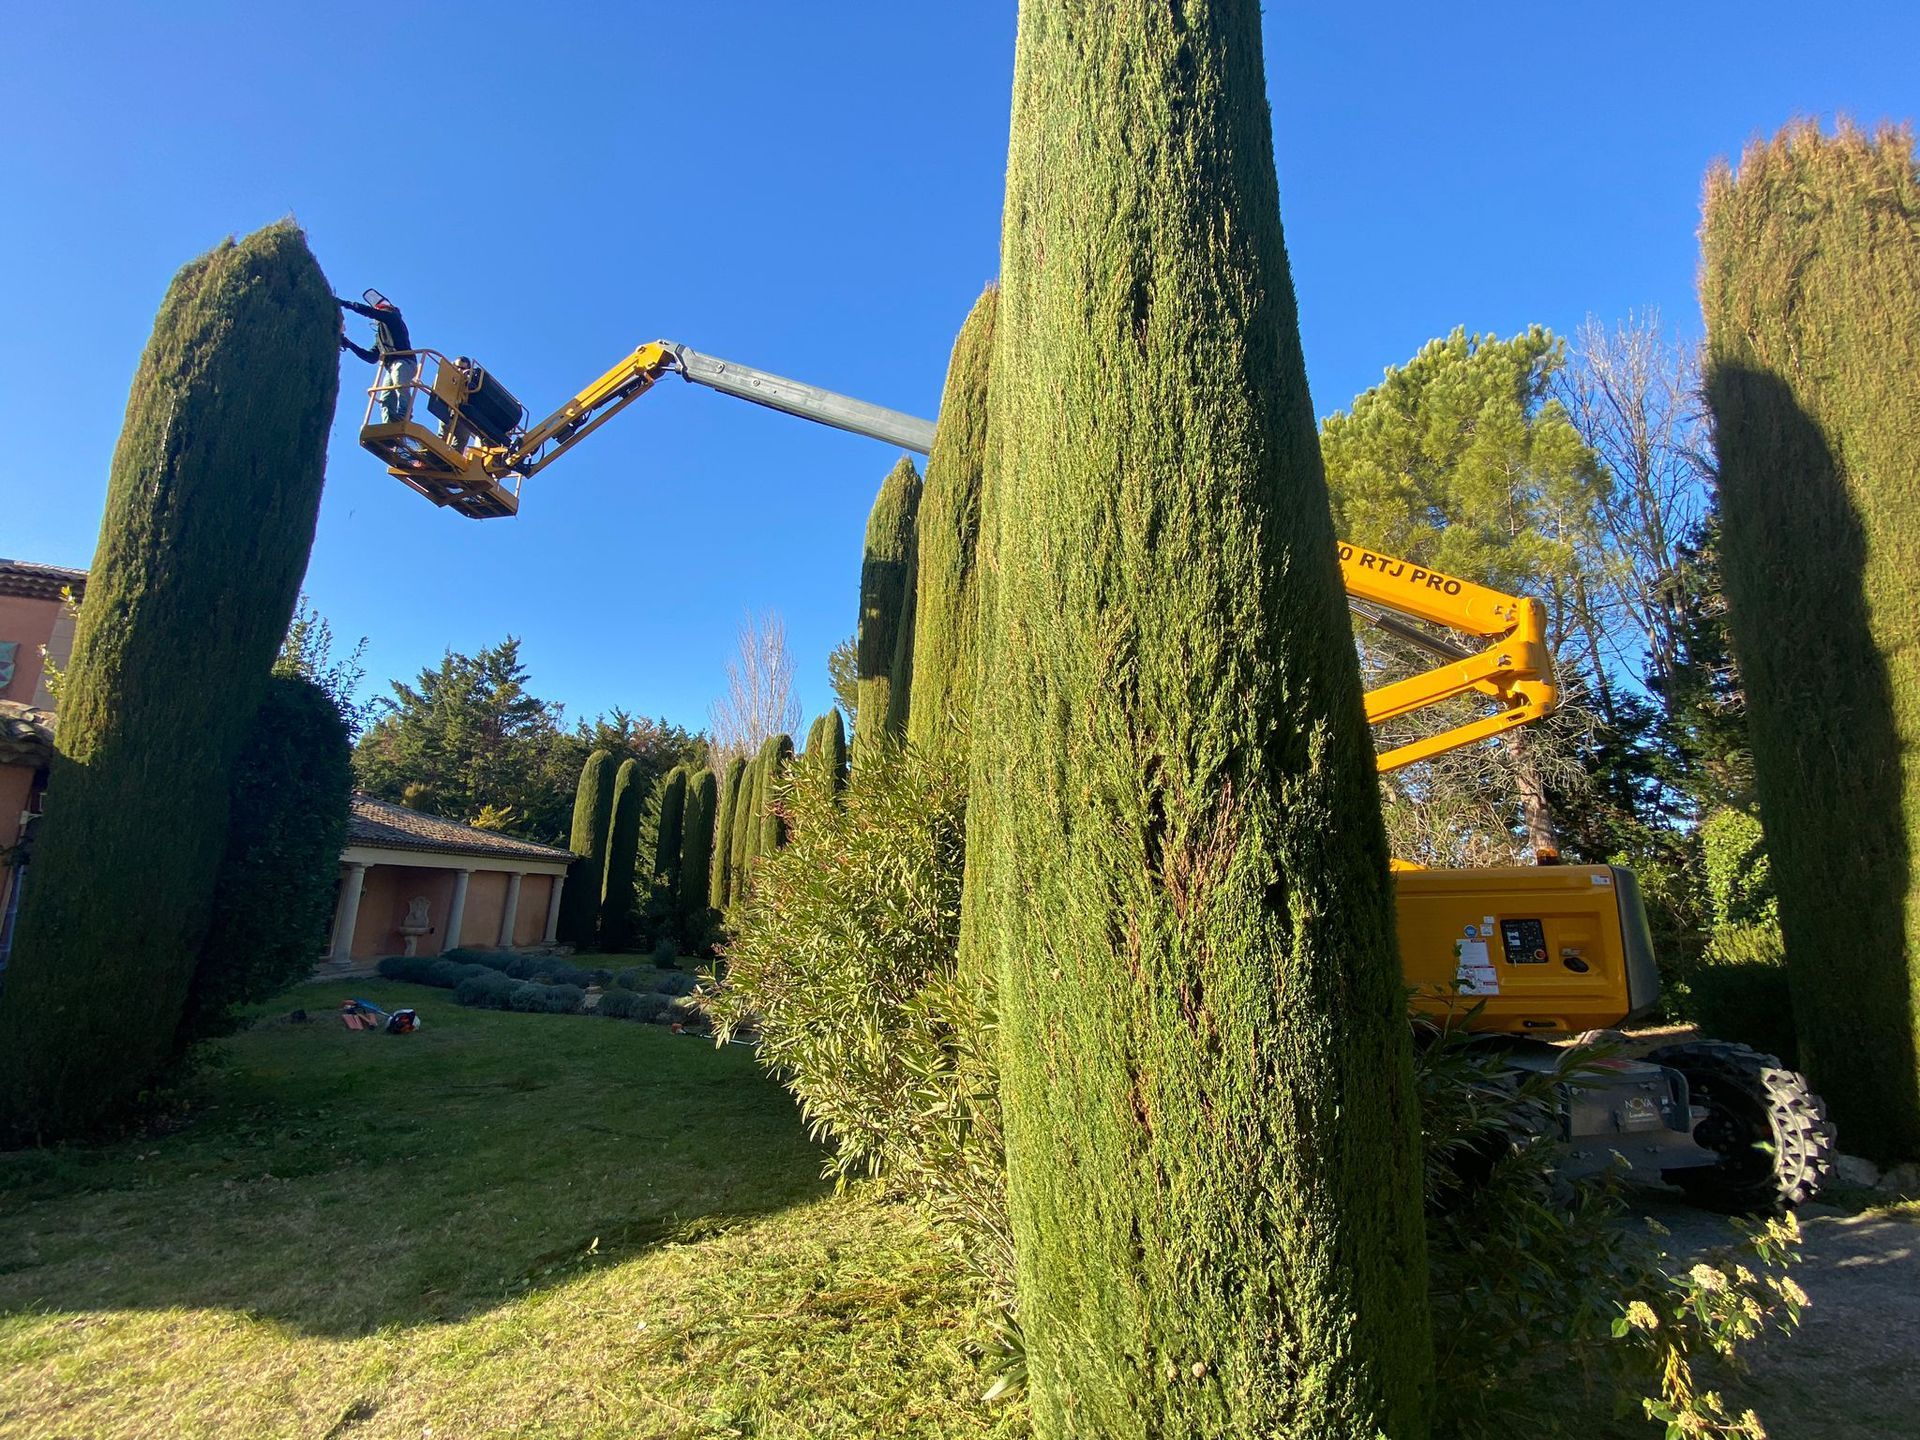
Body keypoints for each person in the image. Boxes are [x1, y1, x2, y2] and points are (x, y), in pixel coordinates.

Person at [338, 296, 416, 424]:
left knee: (400, 384)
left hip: (404, 361)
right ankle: (389, 426)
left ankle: (404, 416)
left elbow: (369, 312)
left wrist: (344, 303)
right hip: (391, 366)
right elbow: (371, 357)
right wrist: (349, 344)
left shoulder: (393, 317)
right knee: (385, 397)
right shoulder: (381, 336)